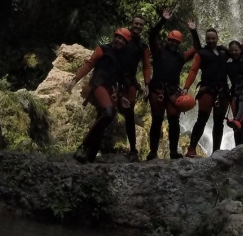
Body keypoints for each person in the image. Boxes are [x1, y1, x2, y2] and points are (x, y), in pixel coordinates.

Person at [183, 27, 243, 157]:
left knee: (218, 122)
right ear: (205, 39)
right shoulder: (202, 53)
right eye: (208, 38)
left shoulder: (224, 52)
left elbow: (241, 47)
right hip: (207, 89)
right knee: (202, 119)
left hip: (222, 91)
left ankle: (215, 152)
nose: (211, 40)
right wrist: (186, 87)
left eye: (213, 38)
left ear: (217, 39)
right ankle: (192, 148)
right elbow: (193, 71)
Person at [65, 28, 131, 163]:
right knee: (108, 113)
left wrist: (121, 97)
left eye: (122, 40)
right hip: (98, 84)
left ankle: (91, 156)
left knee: (102, 117)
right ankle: (84, 146)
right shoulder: (103, 49)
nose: (119, 41)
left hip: (111, 89)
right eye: (118, 37)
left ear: (126, 43)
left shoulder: (124, 58)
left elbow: (121, 79)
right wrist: (75, 79)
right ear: (114, 37)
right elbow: (89, 64)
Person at [146, 9, 196, 160]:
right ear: (167, 40)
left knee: (174, 120)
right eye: (171, 40)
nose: (173, 43)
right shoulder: (158, 52)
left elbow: (197, 49)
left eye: (176, 42)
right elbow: (152, 36)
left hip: (173, 91)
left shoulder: (181, 57)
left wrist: (193, 32)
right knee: (156, 120)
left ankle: (173, 151)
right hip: (158, 89)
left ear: (179, 44)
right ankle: (153, 151)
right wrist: (163, 20)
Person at [118, 14, 151, 161]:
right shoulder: (123, 38)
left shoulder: (143, 46)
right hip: (115, 78)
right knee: (106, 110)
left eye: (141, 25)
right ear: (131, 24)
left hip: (130, 82)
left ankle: (133, 150)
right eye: (136, 24)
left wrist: (147, 84)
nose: (138, 26)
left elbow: (146, 66)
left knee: (130, 115)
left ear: (143, 27)